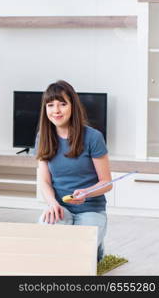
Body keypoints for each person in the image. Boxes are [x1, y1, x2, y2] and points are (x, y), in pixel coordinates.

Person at [35, 80, 112, 262]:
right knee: (48, 249)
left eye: (62, 104)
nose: (56, 110)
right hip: (60, 207)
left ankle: (97, 248)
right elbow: (44, 180)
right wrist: (53, 203)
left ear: (72, 106)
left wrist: (87, 192)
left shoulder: (93, 137)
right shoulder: (43, 137)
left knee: (79, 257)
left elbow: (106, 182)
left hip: (91, 209)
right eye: (51, 105)